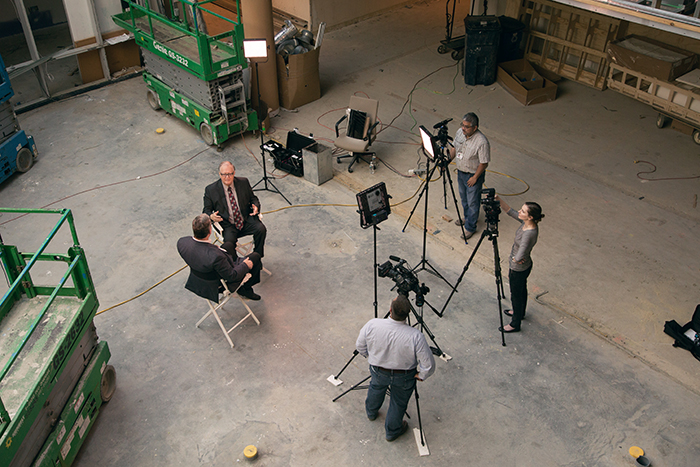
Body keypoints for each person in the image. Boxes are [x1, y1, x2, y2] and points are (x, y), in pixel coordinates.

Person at [356, 295, 435, 442]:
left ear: (390, 310)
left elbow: (360, 346)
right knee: (398, 402)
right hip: (404, 376)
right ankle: (392, 432)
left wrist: (372, 358)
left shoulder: (373, 325)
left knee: (375, 389)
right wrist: (422, 374)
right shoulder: (416, 336)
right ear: (407, 314)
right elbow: (428, 364)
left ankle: (371, 412)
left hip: (378, 370)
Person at [177, 214, 263, 301]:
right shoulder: (215, 256)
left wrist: (215, 249)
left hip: (200, 275)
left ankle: (236, 265)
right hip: (217, 282)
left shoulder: (182, 242)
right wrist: (245, 265)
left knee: (228, 244)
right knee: (255, 257)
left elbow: (203, 251)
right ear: (210, 231)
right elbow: (232, 276)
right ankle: (246, 289)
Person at [495, 196, 544, 333]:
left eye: (522, 211)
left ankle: (515, 323)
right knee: (522, 290)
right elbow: (510, 211)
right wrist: (498, 199)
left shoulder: (528, 233)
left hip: (518, 268)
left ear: (530, 217)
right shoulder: (528, 224)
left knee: (516, 294)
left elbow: (520, 253)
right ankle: (520, 312)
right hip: (525, 265)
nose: (519, 212)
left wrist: (516, 259)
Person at [203, 161, 267, 257]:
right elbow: (206, 211)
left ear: (234, 173)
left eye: (230, 174)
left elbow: (253, 198)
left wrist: (256, 206)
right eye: (224, 174)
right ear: (219, 174)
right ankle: (236, 265)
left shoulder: (243, 182)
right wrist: (211, 216)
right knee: (228, 245)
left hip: (245, 219)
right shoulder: (211, 190)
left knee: (261, 229)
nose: (227, 177)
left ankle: (257, 256)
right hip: (228, 225)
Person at [449, 112, 490, 240]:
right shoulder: (460, 133)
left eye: (467, 126)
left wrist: (475, 178)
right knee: (464, 198)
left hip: (472, 175)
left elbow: (484, 163)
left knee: (472, 201)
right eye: (462, 125)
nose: (463, 128)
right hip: (461, 172)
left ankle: (470, 227)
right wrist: (447, 160)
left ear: (475, 128)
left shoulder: (481, 142)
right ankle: (467, 218)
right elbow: (455, 148)